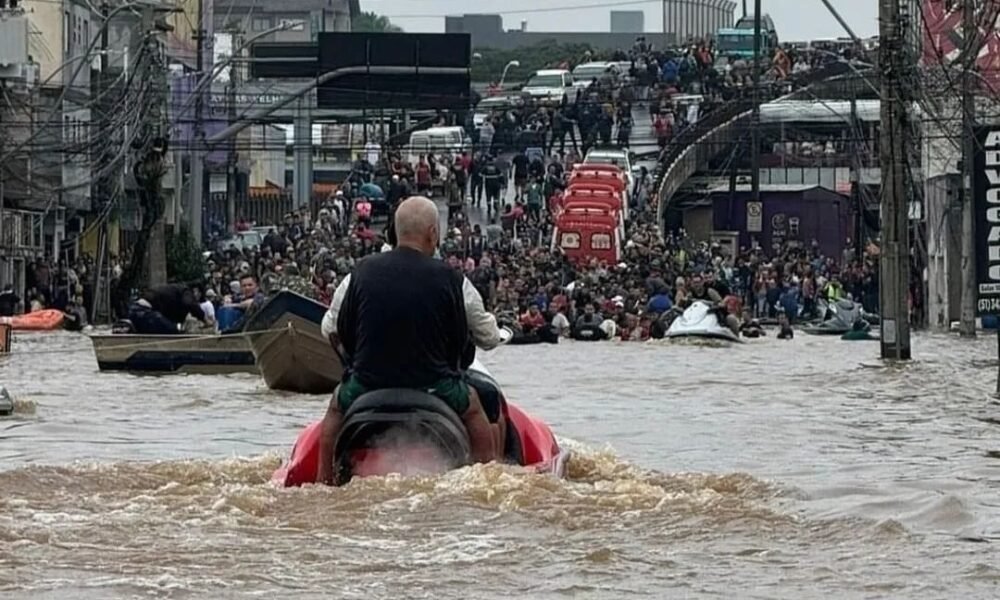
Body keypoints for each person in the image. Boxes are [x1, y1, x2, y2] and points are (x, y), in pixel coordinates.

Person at [317, 196, 507, 484]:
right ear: (433, 233)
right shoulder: (454, 280)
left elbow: (329, 328)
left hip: (367, 385)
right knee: (475, 408)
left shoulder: (358, 274)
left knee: (335, 408)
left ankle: (322, 483)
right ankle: (487, 481)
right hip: (436, 386)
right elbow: (489, 338)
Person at [128, 283, 207, 334]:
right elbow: (189, 303)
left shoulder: (174, 298)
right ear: (196, 291)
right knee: (174, 330)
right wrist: (204, 319)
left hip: (136, 311)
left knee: (169, 327)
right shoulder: (185, 291)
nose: (196, 300)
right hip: (143, 311)